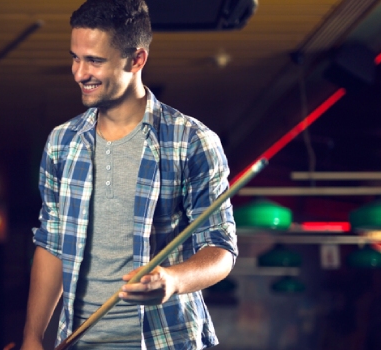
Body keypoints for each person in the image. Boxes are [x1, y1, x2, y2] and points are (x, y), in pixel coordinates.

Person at [22, 1, 237, 349]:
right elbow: (52, 244)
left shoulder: (192, 140)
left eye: (94, 60)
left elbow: (221, 251)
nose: (79, 72)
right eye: (75, 57)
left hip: (166, 340)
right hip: (78, 342)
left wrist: (172, 279)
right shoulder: (62, 142)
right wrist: (32, 337)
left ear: (137, 60)